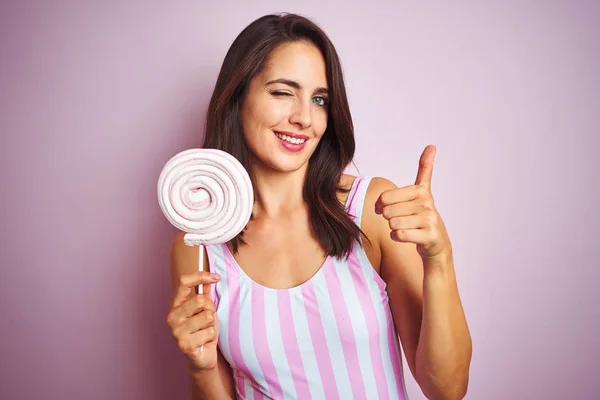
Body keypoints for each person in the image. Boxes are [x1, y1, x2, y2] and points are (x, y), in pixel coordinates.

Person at [166, 12, 472, 400]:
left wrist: (439, 257)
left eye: (319, 99)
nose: (304, 118)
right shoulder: (199, 248)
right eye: (281, 92)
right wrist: (201, 367)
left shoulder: (371, 210)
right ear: (238, 95)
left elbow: (447, 389)